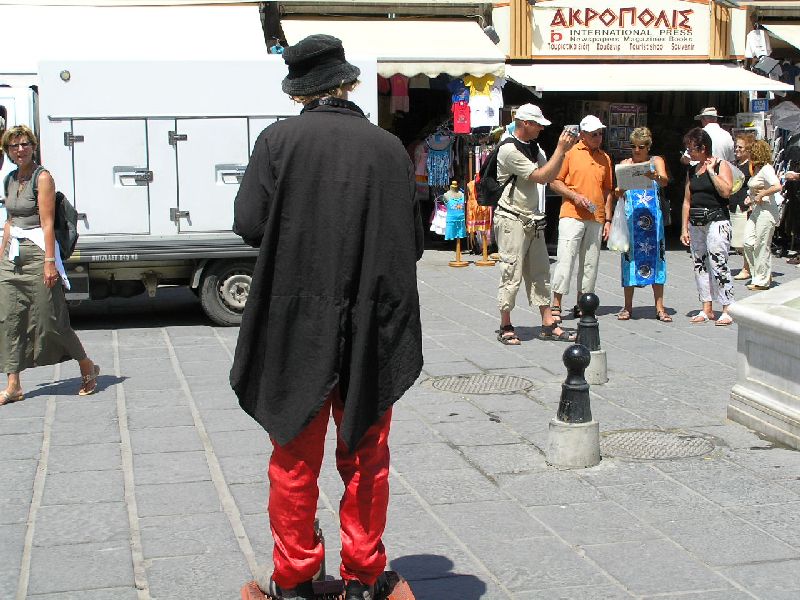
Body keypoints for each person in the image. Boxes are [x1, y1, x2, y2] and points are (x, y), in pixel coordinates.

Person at [229, 35, 424, 600]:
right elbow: (412, 243)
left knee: (293, 453)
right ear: (349, 83)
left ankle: (294, 577)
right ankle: (363, 575)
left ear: (299, 93)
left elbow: (249, 224)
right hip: (371, 322)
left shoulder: (277, 141)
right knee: (366, 454)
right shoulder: (389, 148)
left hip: (298, 320)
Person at [0, 125, 100, 405]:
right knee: (9, 320)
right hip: (12, 257)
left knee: (51, 319)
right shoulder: (9, 179)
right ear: (8, 151)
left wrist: (49, 263)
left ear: (33, 147)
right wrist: (1, 257)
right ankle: (13, 385)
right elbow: (9, 222)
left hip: (37, 254)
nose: (20, 150)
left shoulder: (42, 178)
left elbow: (47, 223)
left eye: (25, 144)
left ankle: (86, 364)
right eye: (14, 146)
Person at [493, 103, 578, 345]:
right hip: (512, 218)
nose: (541, 128)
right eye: (538, 124)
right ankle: (505, 324)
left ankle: (548, 322)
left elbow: (550, 175)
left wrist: (563, 152)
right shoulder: (508, 150)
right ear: (525, 123)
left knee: (541, 272)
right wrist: (560, 149)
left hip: (532, 218)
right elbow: (540, 176)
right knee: (511, 272)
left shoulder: (533, 146)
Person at [549, 115, 614, 320]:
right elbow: (555, 182)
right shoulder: (570, 153)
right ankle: (556, 303)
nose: (598, 137)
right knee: (565, 259)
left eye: (600, 133)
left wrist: (608, 219)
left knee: (590, 263)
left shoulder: (605, 158)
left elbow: (607, 190)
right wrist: (574, 196)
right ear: (583, 135)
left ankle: (583, 302)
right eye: (594, 134)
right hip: (572, 214)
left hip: (595, 216)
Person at [608, 127, 671, 322]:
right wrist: (619, 191)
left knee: (657, 259)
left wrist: (655, 176)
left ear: (648, 147)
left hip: (653, 219)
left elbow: (665, 181)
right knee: (629, 260)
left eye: (641, 147)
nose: (636, 150)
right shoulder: (625, 164)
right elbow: (617, 193)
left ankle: (659, 307)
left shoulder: (656, 161)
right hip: (632, 219)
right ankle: (627, 306)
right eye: (633, 146)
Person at [680, 127, 735, 325]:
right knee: (699, 264)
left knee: (718, 262)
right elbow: (687, 200)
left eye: (691, 149)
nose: (689, 152)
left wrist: (711, 172)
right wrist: (684, 228)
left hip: (717, 220)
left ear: (703, 148)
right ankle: (706, 307)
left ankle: (727, 307)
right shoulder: (692, 169)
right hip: (696, 222)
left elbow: (726, 191)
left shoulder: (721, 165)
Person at [742, 139, 783, 291]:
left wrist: (762, 194)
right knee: (748, 242)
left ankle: (762, 280)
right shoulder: (758, 169)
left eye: (750, 152)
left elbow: (777, 186)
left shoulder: (766, 169)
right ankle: (762, 273)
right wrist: (751, 197)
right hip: (757, 209)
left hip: (767, 211)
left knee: (762, 244)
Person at [730, 134, 755, 280]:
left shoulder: (752, 165)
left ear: (748, 149)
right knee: (737, 240)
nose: (737, 149)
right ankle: (750, 266)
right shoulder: (735, 164)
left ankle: (747, 268)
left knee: (744, 239)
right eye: (736, 146)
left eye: (740, 147)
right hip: (734, 204)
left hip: (745, 206)